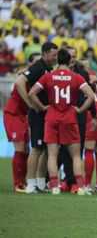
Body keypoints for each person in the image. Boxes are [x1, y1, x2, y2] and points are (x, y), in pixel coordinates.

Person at [28, 48, 95, 195]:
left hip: (52, 117)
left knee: (52, 154)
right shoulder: (76, 77)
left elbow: (31, 93)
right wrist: (80, 109)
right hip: (70, 117)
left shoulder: (49, 76)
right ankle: (81, 187)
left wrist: (42, 107)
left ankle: (54, 186)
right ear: (69, 60)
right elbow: (91, 96)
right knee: (76, 155)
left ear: (58, 60)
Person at [15, 42, 58, 193]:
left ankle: (40, 183)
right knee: (36, 149)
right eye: (53, 55)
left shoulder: (48, 69)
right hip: (38, 114)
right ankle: (30, 183)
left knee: (46, 149)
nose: (55, 57)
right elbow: (20, 82)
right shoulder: (38, 67)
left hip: (47, 114)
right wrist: (29, 103)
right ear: (45, 53)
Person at [3, 53, 40, 192]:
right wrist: (30, 104)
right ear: (29, 64)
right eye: (35, 62)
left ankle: (23, 182)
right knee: (20, 148)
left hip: (24, 116)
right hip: (13, 114)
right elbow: (18, 85)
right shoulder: (22, 76)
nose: (38, 65)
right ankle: (18, 184)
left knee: (26, 149)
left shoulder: (36, 77)